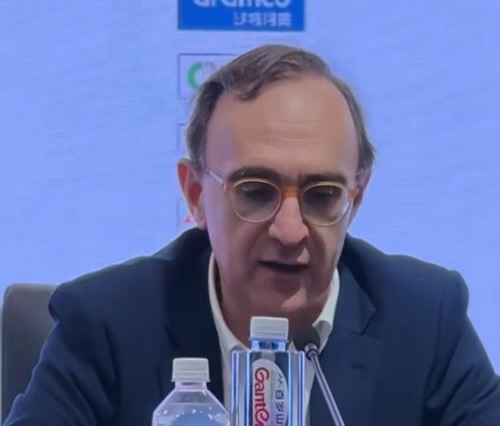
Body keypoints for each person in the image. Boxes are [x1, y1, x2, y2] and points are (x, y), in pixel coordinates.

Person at [5, 45, 500, 426]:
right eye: (256, 192)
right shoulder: (107, 323)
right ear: (196, 195)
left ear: (357, 197)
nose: (290, 230)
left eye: (322, 195)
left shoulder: (425, 318)